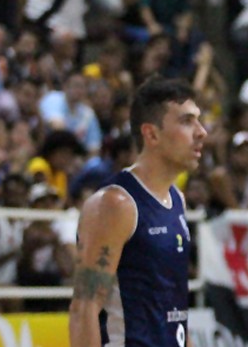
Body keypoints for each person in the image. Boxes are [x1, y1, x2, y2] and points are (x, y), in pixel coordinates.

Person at [69, 78, 205, 347]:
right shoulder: (114, 204)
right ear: (151, 134)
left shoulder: (176, 199)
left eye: (198, 121)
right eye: (187, 121)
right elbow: (84, 308)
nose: (201, 132)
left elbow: (174, 312)